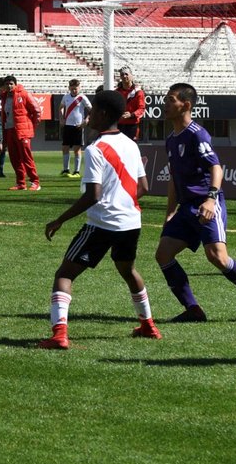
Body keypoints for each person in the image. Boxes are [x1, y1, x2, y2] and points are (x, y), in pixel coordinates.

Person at [40, 90, 161, 349]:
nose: (88, 114)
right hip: (131, 222)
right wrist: (122, 202)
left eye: (92, 110)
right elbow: (144, 186)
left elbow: (93, 195)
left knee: (64, 274)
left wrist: (60, 219)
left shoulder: (95, 149)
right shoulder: (131, 144)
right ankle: (148, 325)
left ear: (103, 114)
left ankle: (59, 334)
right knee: (128, 270)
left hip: (102, 223)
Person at [155, 83, 236, 323]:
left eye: (171, 99)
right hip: (186, 209)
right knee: (163, 254)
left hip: (206, 204)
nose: (166, 103)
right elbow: (174, 178)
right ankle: (193, 309)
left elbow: (215, 167)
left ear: (185, 105)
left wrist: (211, 198)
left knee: (217, 257)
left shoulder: (197, 134)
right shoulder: (171, 140)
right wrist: (170, 211)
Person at [1, 75, 41, 191]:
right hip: (9, 130)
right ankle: (21, 183)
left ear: (15, 84)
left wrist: (30, 127)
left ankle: (35, 182)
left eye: (11, 83)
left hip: (22, 131)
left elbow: (37, 110)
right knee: (15, 158)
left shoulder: (24, 94)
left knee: (26, 157)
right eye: (7, 84)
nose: (9, 86)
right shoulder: (4, 97)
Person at [60, 79, 92, 178]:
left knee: (77, 149)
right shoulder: (66, 97)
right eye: (72, 88)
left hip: (78, 126)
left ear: (79, 88)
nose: (74, 90)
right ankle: (66, 170)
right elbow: (61, 107)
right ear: (69, 88)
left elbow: (91, 110)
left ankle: (77, 171)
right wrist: (61, 118)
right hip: (67, 126)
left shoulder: (82, 98)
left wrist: (86, 120)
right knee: (65, 147)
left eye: (76, 88)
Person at [115, 66, 145, 140]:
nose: (124, 76)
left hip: (132, 126)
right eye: (122, 75)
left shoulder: (138, 92)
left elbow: (141, 109)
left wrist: (131, 115)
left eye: (126, 74)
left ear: (131, 76)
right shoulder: (116, 92)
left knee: (132, 149)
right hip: (119, 125)